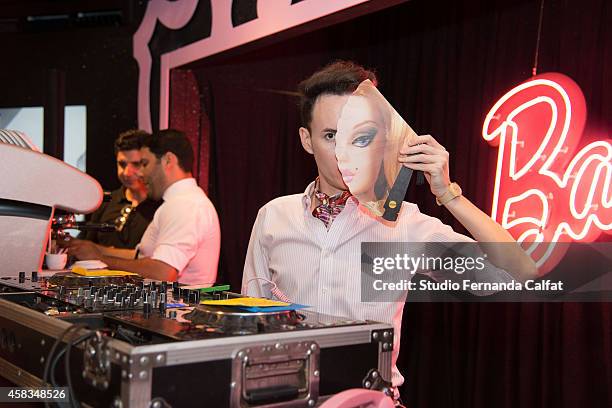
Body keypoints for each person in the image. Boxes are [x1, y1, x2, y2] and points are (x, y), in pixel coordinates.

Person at [241, 61, 537, 396]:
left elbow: (519, 274)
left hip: (369, 400)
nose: (344, 153)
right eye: (330, 136)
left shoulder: (407, 226)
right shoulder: (274, 217)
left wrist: (448, 194)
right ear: (307, 140)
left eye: (359, 137)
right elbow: (251, 320)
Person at [63, 129, 221, 284]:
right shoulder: (179, 202)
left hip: (178, 308)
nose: (141, 173)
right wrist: (95, 249)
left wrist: (100, 258)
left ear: (168, 160)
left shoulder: (186, 205)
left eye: (144, 164)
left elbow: (162, 272)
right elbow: (143, 257)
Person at [335, 79, 415, 213]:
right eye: (332, 137)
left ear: (389, 139)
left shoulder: (409, 221)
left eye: (361, 139)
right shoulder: (290, 212)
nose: (341, 156)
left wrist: (447, 193)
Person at [81, 129, 161, 248]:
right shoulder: (106, 202)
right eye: (122, 164)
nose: (127, 173)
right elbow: (88, 246)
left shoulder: (162, 206)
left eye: (136, 164)